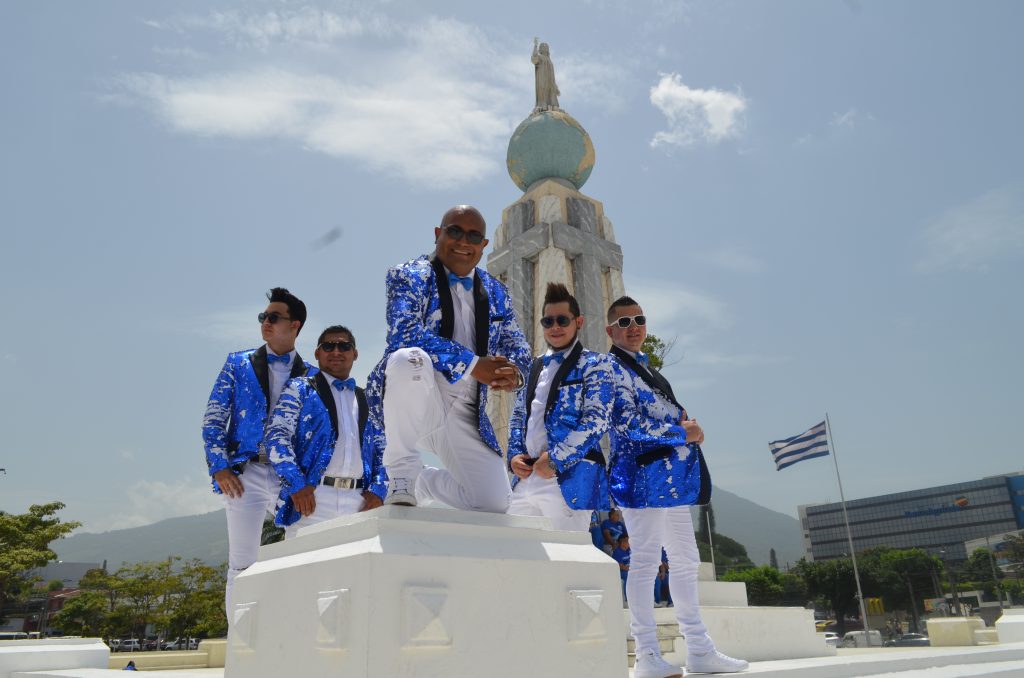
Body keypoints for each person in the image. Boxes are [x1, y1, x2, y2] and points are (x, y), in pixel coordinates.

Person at [606, 296, 747, 677]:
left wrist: (686, 426)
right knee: (646, 562)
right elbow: (625, 424)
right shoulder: (610, 368)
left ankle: (699, 648)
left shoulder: (648, 370)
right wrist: (681, 431)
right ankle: (646, 655)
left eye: (639, 320)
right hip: (639, 478)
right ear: (610, 330)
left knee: (685, 560)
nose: (633, 327)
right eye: (624, 322)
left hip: (668, 480)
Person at [365, 205, 532, 511]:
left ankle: (422, 482)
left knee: (493, 503)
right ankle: (401, 474)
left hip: (465, 407)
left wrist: (514, 372)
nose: (463, 242)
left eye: (473, 236)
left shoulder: (497, 291)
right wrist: (473, 365)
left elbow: (517, 343)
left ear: (484, 245)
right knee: (408, 358)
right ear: (438, 234)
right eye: (454, 231)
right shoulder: (408, 275)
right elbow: (404, 333)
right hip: (418, 392)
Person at [202, 287, 312, 621]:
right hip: (245, 474)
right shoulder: (238, 363)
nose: (266, 322)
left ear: (294, 325)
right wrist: (219, 466)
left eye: (274, 317)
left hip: (291, 479)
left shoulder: (312, 375)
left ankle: (294, 632)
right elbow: (214, 417)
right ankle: (240, 640)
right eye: (264, 316)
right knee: (241, 563)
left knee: (304, 555)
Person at [506, 282, 613, 530]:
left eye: (562, 320)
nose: (555, 327)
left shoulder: (596, 364)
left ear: (579, 322)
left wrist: (556, 459)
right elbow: (519, 416)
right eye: (548, 321)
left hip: (568, 477)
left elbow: (597, 420)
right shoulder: (534, 366)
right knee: (511, 549)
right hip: (526, 478)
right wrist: (513, 456)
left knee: (567, 551)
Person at [265, 325, 387, 539]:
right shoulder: (299, 389)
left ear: (355, 354)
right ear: (317, 353)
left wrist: (379, 490)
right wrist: (297, 484)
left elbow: (385, 450)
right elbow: (276, 436)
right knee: (305, 561)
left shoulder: (367, 399)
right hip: (311, 500)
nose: (336, 351)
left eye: (344, 346)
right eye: (328, 346)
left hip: (359, 504)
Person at [611, 534, 631, 603]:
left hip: (629, 570)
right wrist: (632, 570)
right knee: (628, 576)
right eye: (628, 541)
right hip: (621, 572)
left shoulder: (628, 551)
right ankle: (627, 600)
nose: (630, 543)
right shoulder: (617, 552)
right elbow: (620, 566)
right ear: (622, 542)